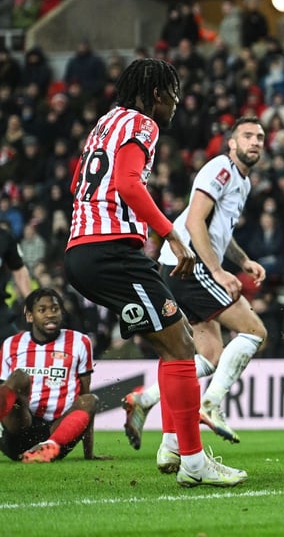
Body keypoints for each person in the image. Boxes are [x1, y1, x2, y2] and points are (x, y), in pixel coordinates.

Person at [63, 58, 245, 487]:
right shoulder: (143, 124)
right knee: (181, 344)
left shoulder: (104, 124)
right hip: (110, 252)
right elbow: (128, 183)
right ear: (158, 95)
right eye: (175, 95)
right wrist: (171, 234)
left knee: (174, 342)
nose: (177, 104)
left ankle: (176, 448)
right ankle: (195, 463)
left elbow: (77, 184)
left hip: (81, 249)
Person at [121, 117, 269, 459]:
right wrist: (217, 271)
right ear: (231, 144)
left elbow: (219, 231)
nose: (255, 142)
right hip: (191, 266)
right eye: (247, 136)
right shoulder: (221, 169)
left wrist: (243, 261)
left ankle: (145, 400)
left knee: (208, 356)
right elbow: (193, 221)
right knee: (256, 332)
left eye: (260, 137)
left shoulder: (242, 183)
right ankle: (212, 404)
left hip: (181, 268)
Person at [0, 288, 109, 463]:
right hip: (20, 428)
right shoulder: (11, 344)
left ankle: (46, 449)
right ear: (30, 316)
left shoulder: (80, 342)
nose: (50, 314)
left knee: (91, 399)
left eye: (54, 309)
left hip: (57, 431)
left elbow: (85, 398)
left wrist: (89, 454)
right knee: (19, 377)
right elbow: (5, 397)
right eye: (42, 310)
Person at [0, 224, 33, 338]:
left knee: (16, 349)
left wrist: (32, 301)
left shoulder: (4, 237)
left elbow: (18, 270)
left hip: (1, 313)